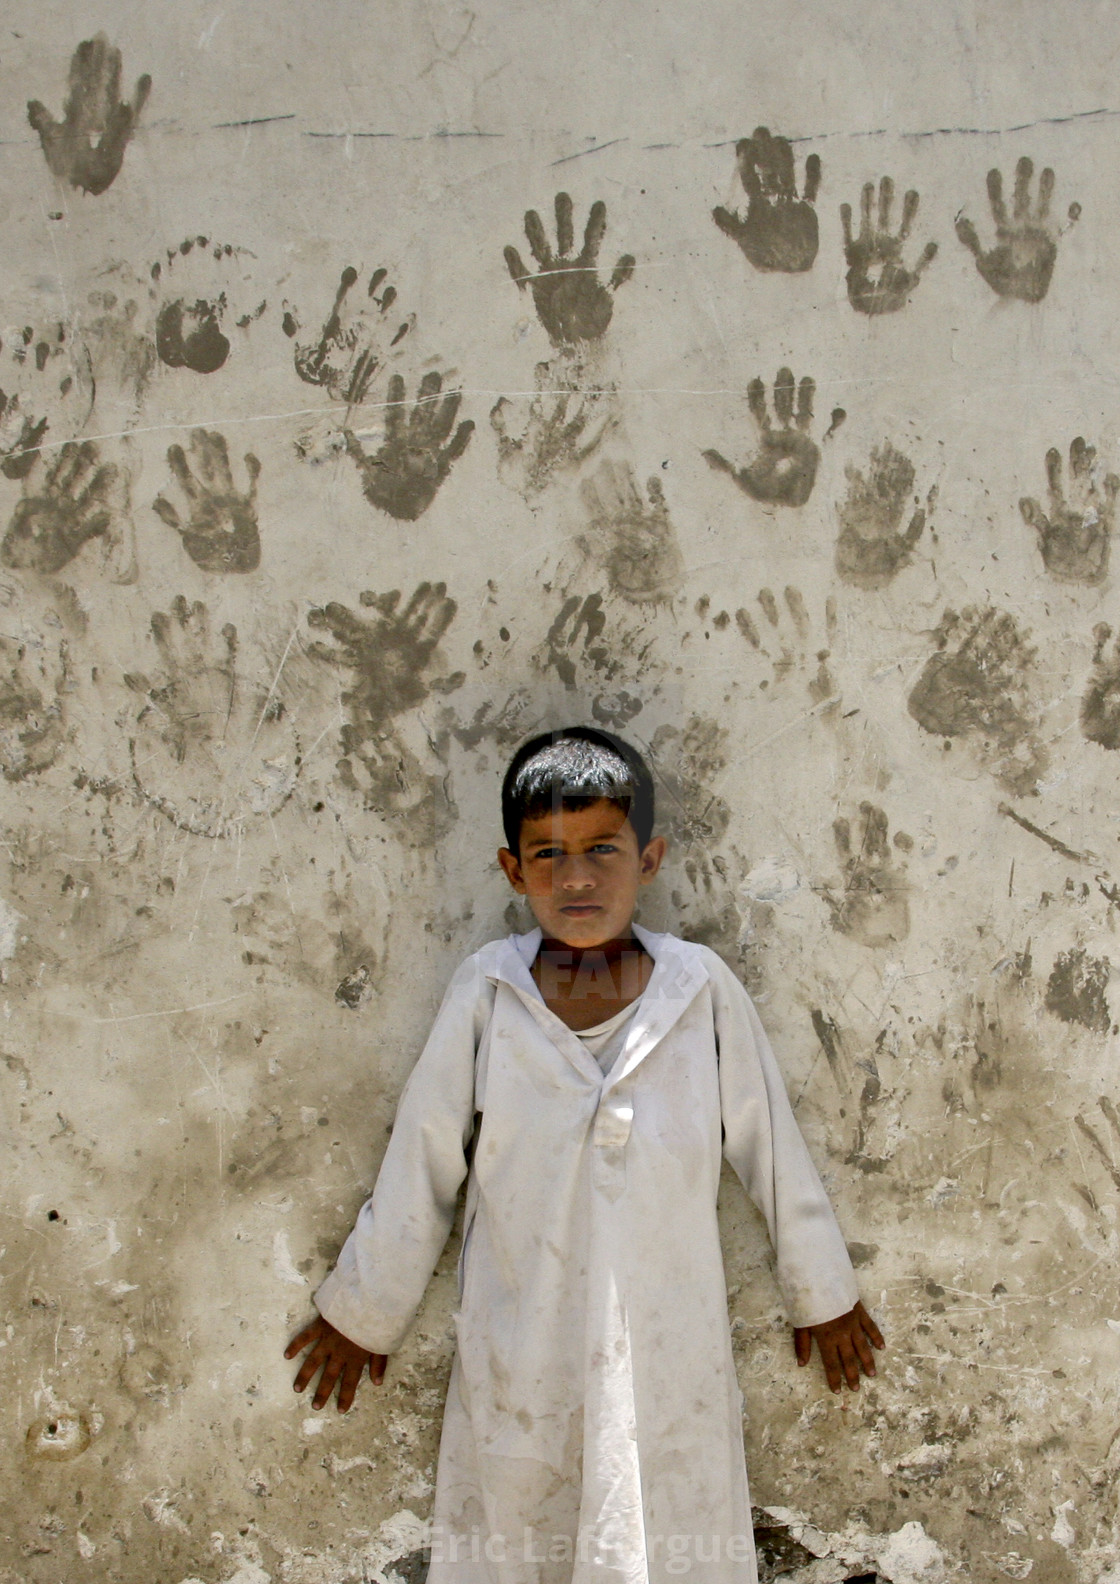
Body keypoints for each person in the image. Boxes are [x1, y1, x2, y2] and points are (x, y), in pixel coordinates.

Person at [286, 726, 883, 1584]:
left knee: (669, 1523)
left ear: (650, 857)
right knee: (520, 1521)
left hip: (666, 1331)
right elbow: (424, 1153)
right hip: (522, 1327)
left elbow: (769, 1143)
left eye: (602, 848)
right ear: (511, 868)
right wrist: (364, 1307)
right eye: (548, 855)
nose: (575, 878)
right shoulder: (490, 989)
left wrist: (822, 1291)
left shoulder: (698, 989)